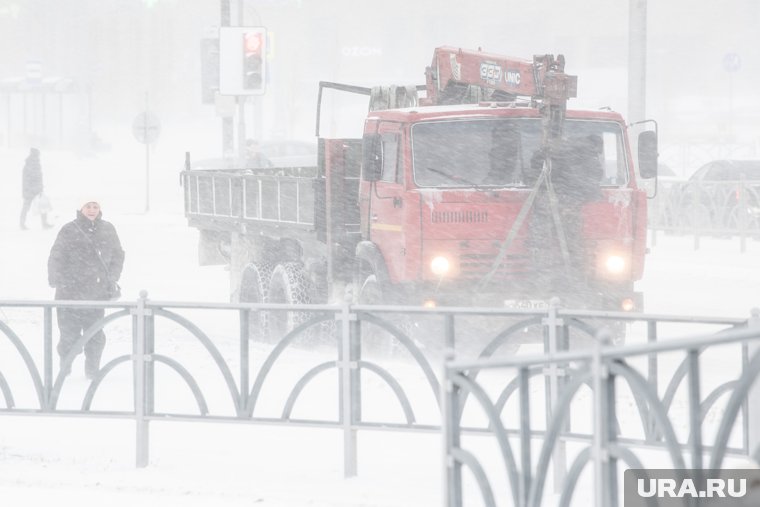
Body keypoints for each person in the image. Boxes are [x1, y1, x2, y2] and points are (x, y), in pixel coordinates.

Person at [47, 199, 125, 378]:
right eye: (88, 206)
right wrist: (57, 279)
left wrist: (112, 278)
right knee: (69, 335)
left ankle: (92, 372)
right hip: (69, 293)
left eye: (95, 206)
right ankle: (65, 369)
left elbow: (118, 255)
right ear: (80, 208)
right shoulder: (69, 229)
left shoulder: (108, 229)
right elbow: (56, 256)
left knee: (95, 335)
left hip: (96, 294)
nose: (92, 210)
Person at [19, 147, 52, 230]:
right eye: (37, 154)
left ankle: (44, 223)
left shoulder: (36, 163)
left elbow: (38, 177)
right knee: (26, 207)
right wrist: (29, 189)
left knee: (42, 205)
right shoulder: (30, 164)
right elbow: (28, 179)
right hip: (30, 190)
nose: (38, 156)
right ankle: (21, 224)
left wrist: (40, 187)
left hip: (37, 189)